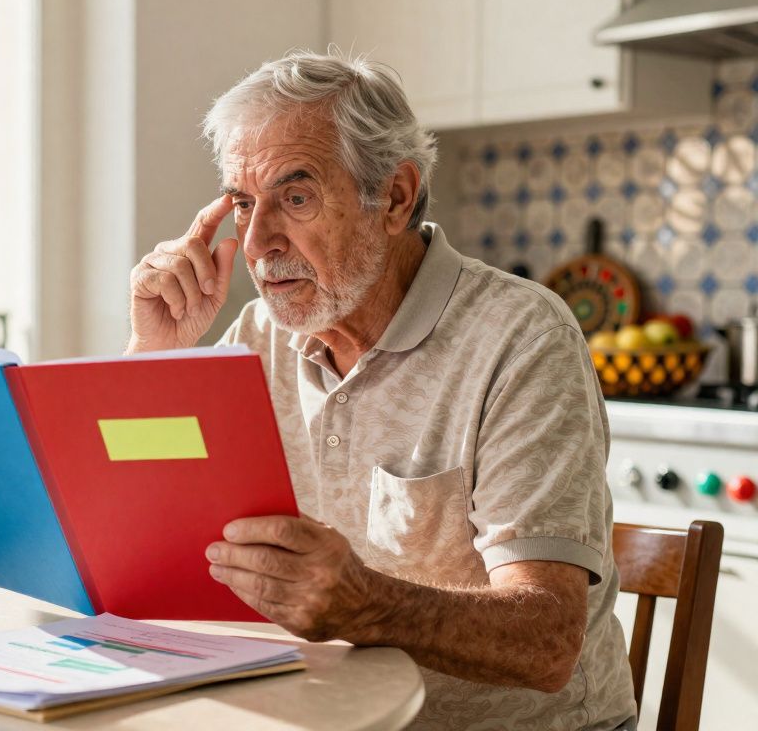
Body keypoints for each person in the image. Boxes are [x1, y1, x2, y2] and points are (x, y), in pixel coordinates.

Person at [126, 49, 636, 730]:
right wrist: (154, 356)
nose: (256, 242)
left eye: (296, 198)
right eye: (244, 204)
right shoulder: (256, 334)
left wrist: (366, 602)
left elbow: (547, 642)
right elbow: (140, 547)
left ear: (394, 197)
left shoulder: (521, 337)